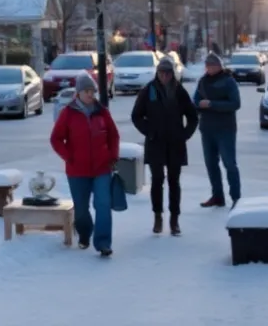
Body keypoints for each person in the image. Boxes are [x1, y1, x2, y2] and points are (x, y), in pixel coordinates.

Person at [50, 73, 120, 256]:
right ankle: (84, 233)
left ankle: (103, 243)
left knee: (103, 204)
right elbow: (56, 139)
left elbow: (113, 135)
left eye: (92, 91)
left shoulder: (102, 111)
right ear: (78, 93)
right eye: (87, 91)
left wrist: (113, 156)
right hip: (77, 170)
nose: (90, 94)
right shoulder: (68, 113)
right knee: (81, 209)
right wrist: (68, 156)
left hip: (102, 168)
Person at [131, 57, 198, 235]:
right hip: (156, 144)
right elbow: (136, 116)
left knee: (174, 182)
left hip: (175, 144)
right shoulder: (148, 90)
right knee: (157, 181)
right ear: (157, 73)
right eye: (162, 73)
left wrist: (185, 134)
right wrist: (149, 132)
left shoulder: (179, 91)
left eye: (168, 73)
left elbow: (193, 116)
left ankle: (174, 219)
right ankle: (158, 216)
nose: (165, 76)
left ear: (172, 74)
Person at [192, 52, 242, 208]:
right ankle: (217, 195)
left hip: (225, 129)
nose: (210, 68)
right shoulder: (203, 82)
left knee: (229, 164)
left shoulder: (228, 81)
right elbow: (195, 99)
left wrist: (212, 104)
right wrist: (199, 104)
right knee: (211, 164)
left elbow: (235, 104)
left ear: (220, 66)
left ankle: (236, 198)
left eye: (213, 65)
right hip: (206, 129)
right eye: (208, 66)